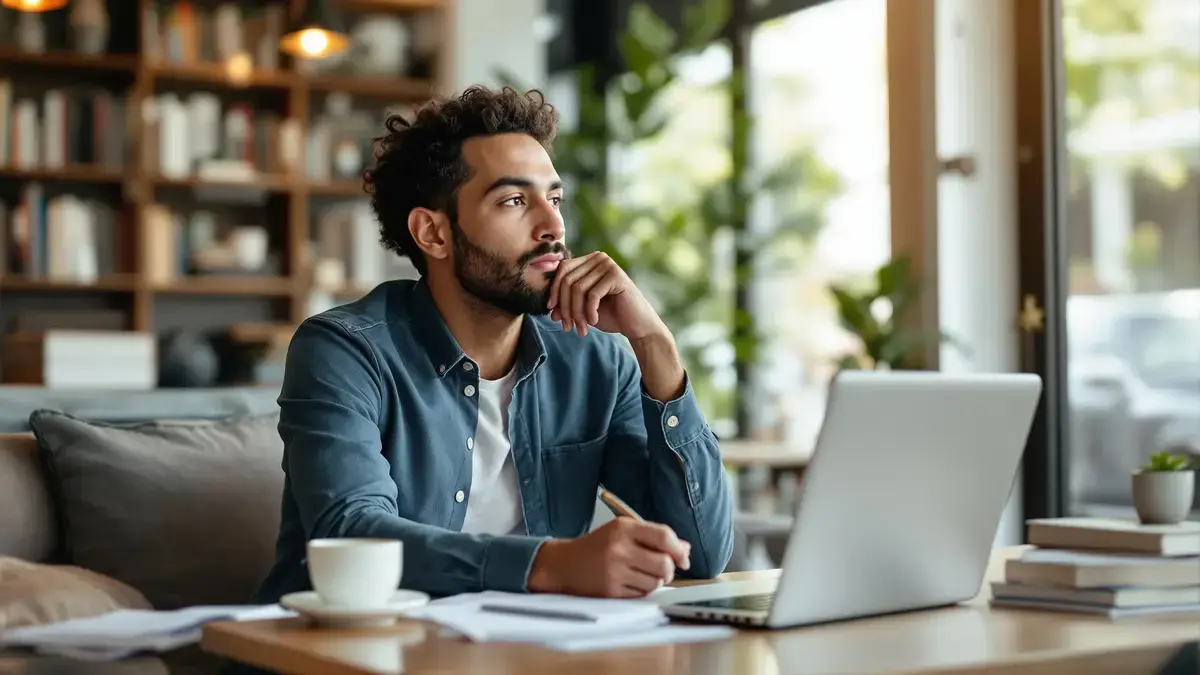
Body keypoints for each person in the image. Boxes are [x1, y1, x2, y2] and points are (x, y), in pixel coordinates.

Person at [249, 85, 734, 604]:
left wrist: (655, 345)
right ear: (432, 233)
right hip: (345, 649)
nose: (553, 227)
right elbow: (351, 531)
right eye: (514, 201)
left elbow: (699, 555)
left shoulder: (595, 357)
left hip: (523, 648)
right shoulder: (345, 351)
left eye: (554, 199)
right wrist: (548, 564)